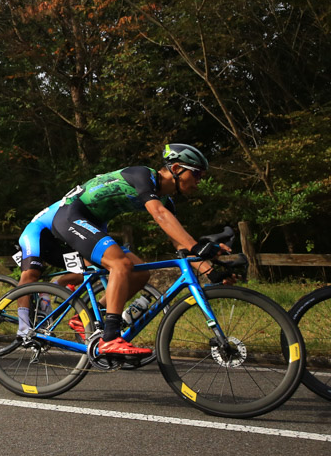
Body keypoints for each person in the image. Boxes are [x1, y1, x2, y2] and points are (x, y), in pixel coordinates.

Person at [14, 143, 223, 357]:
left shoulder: (165, 201)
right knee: (120, 264)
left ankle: (86, 318)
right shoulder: (143, 176)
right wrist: (196, 245)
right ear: (177, 169)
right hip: (71, 215)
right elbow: (159, 216)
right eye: (197, 174)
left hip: (92, 224)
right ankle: (110, 338)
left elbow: (180, 245)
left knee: (140, 271)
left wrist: (211, 272)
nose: (199, 181)